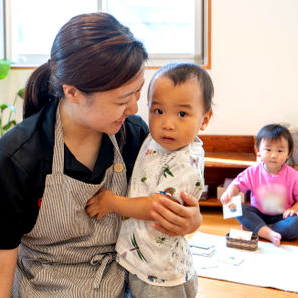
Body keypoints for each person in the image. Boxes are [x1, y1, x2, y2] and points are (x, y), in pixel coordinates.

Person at [0, 13, 203, 297]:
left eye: (137, 94)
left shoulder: (133, 135)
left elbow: (163, 207)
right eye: (121, 99)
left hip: (123, 284)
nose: (133, 108)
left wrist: (191, 221)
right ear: (73, 92)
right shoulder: (17, 158)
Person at [86, 62, 213, 297]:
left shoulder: (185, 162)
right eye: (158, 111)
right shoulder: (155, 141)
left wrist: (111, 202)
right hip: (142, 260)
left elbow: (157, 206)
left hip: (160, 275)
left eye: (182, 114)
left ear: (204, 120)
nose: (167, 123)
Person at [220, 124, 298, 246]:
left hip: (282, 218)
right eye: (268, 150)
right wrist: (228, 193)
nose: (273, 155)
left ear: (288, 153)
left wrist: (294, 210)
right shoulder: (252, 172)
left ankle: (259, 229)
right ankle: (265, 231)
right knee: (237, 208)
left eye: (280, 151)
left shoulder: (294, 176)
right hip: (259, 214)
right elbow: (236, 185)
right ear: (258, 150)